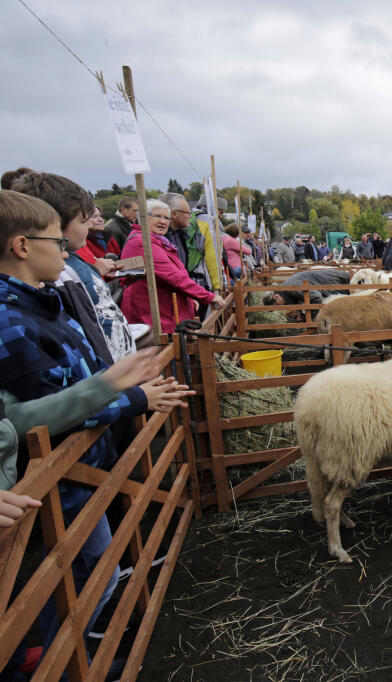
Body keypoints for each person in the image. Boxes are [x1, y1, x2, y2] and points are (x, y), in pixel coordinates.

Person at [0, 189, 192, 674]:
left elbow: (79, 372)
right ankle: (57, 663)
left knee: (82, 572)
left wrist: (125, 388)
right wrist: (130, 395)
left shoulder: (46, 302)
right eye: (56, 242)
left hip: (80, 465)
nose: (66, 251)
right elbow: (43, 406)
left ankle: (61, 655)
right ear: (22, 246)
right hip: (57, 476)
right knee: (79, 574)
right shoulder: (10, 320)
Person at [5, 168, 136, 364]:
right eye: (84, 221)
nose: (89, 226)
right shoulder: (57, 274)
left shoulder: (72, 262)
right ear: (57, 224)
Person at [120, 200, 226, 334]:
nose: (163, 221)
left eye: (166, 218)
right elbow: (173, 276)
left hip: (164, 314)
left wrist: (189, 297)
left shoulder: (158, 242)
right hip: (154, 318)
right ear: (143, 217)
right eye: (157, 216)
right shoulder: (143, 243)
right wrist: (208, 296)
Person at [262, 268, 351, 320]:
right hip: (332, 282)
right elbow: (302, 298)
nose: (280, 308)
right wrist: (301, 314)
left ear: (276, 296)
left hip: (338, 281)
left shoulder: (292, 288)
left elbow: (316, 297)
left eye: (277, 305)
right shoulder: (286, 289)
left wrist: (311, 318)